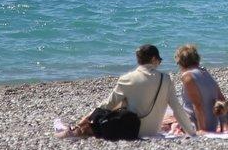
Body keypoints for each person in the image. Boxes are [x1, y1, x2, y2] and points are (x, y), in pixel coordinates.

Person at [56, 44, 197, 139]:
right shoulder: (165, 79)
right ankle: (76, 128)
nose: (159, 63)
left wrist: (87, 117)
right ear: (153, 59)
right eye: (159, 60)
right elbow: (177, 108)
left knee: (107, 108)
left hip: (131, 129)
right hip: (152, 130)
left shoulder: (127, 79)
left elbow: (107, 105)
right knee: (119, 104)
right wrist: (191, 132)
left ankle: (76, 128)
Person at [172, 44, 228, 133]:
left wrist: (202, 130)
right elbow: (222, 100)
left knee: (168, 122)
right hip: (212, 123)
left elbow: (198, 105)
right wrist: (223, 125)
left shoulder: (188, 77)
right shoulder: (205, 72)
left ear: (181, 62)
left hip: (195, 124)